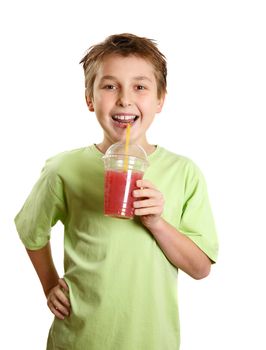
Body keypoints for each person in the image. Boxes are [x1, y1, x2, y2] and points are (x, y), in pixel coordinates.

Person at [14, 33, 219, 350]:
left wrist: (157, 223)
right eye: (109, 86)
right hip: (79, 339)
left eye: (140, 86)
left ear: (160, 99)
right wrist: (49, 284)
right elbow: (30, 230)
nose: (124, 99)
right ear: (90, 99)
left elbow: (200, 268)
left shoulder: (184, 172)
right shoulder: (64, 169)